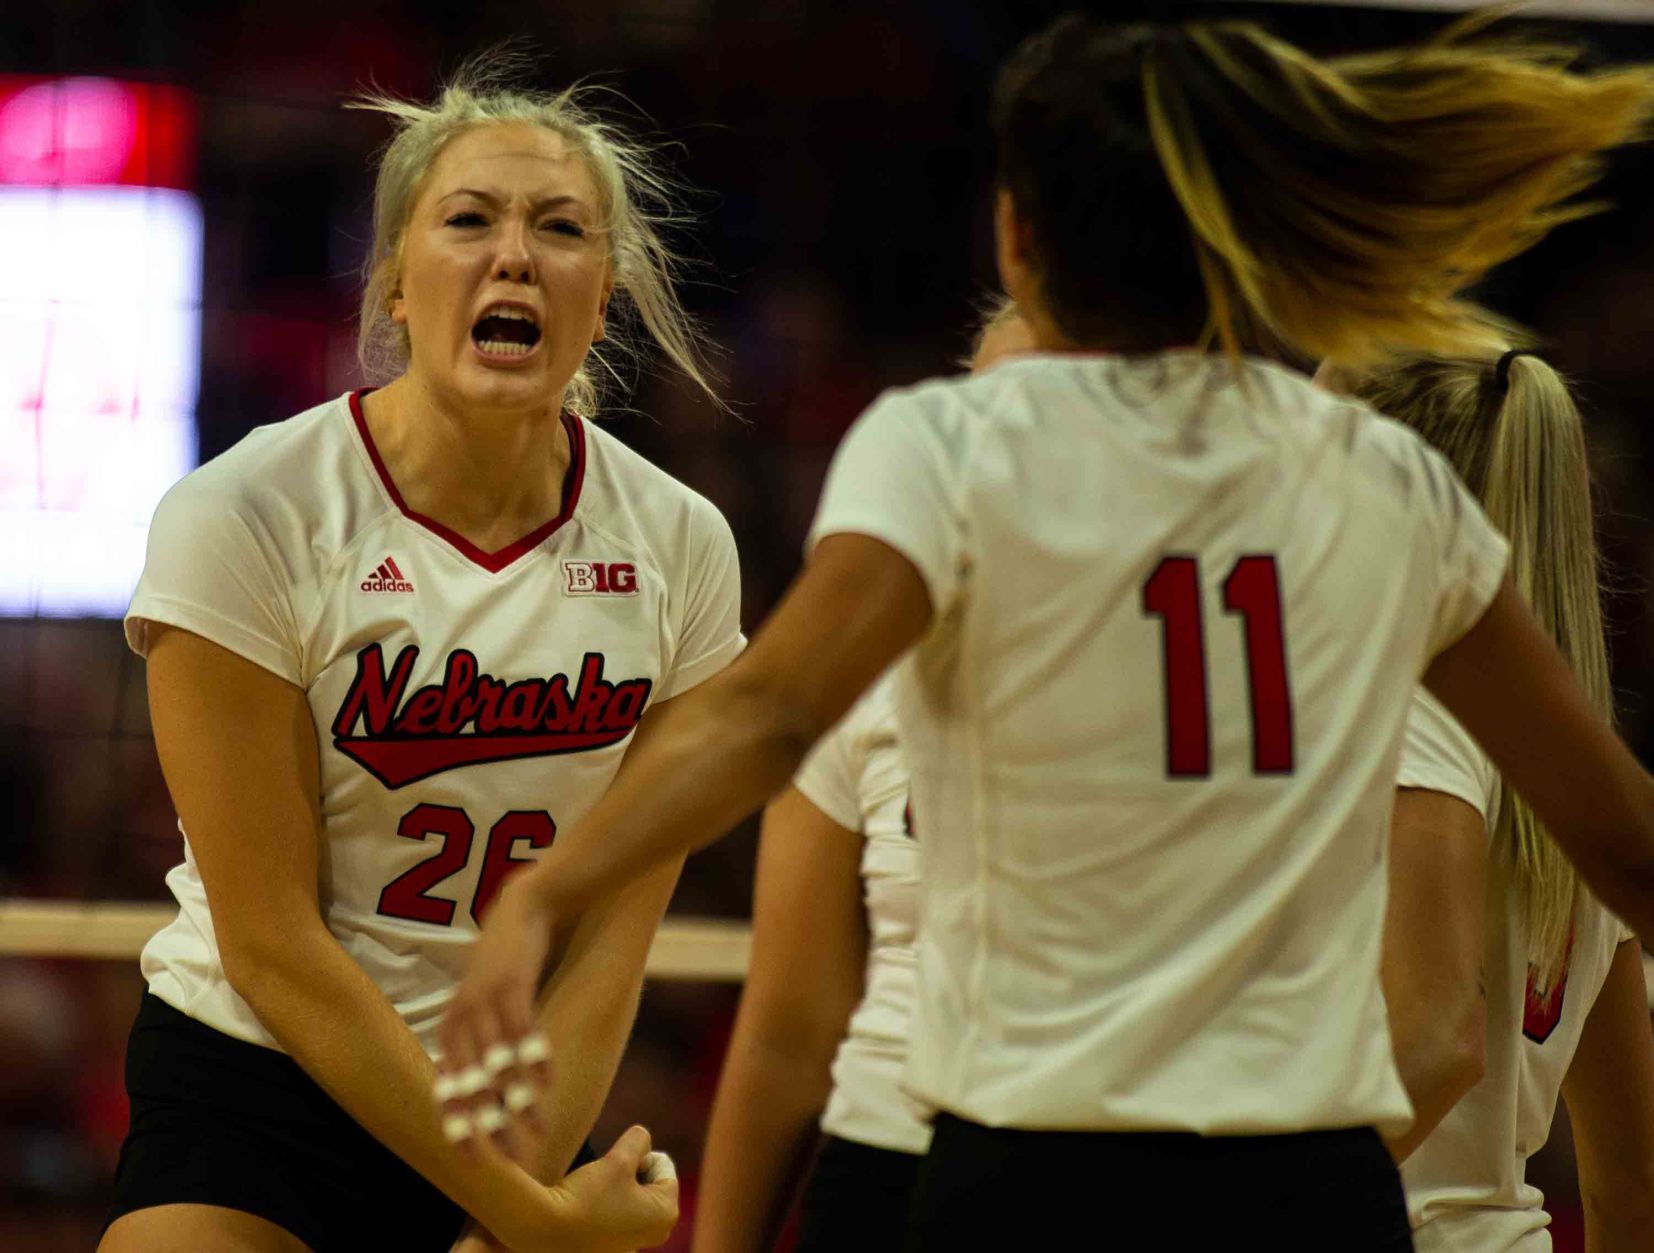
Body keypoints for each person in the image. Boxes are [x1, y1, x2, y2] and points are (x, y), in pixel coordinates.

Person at [442, 18, 1654, 1249]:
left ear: (1017, 239)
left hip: (1032, 1169)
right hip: (1304, 1188)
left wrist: (548, 895)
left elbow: (770, 710)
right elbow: (1619, 835)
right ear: (1229, 245)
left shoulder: (953, 446)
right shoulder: (1387, 481)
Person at [101, 63, 742, 1253]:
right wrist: (535, 1224)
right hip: (262, 1078)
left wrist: (504, 1203)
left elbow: (611, 938)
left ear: (602, 296)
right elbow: (272, 944)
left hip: (515, 1104)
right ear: (395, 278)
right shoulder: (245, 512)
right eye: (468, 219)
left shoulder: (681, 545)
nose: (515, 255)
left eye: (560, 229)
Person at [692, 304, 1034, 1253]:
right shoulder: (868, 665)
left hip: (1116, 1158)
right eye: (988, 405)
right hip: (893, 1152)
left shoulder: (1199, 661)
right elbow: (788, 1032)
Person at [1346, 351, 1654, 1250]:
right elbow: (1634, 1192)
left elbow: (1440, 1039)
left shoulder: (1409, 715)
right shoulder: (1583, 791)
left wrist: (1262, 1209)